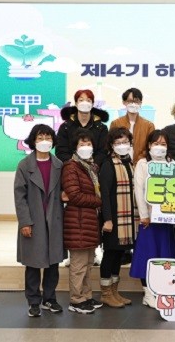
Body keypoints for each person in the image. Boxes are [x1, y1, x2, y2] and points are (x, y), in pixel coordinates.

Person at [14, 124, 64, 318]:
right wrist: (25, 222)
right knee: (33, 263)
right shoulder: (24, 165)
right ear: (33, 141)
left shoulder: (59, 165)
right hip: (34, 221)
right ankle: (33, 301)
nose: (45, 141)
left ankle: (50, 298)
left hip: (54, 220)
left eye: (48, 137)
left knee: (53, 262)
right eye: (40, 137)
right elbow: (20, 197)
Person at [130, 130, 175, 308]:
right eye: (156, 143)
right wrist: (144, 215)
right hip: (149, 220)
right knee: (147, 255)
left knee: (164, 255)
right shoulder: (143, 164)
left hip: (166, 220)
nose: (160, 147)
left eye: (163, 144)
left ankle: (162, 291)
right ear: (149, 145)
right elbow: (139, 189)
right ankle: (148, 293)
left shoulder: (172, 164)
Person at [61, 130, 103, 314]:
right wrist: (99, 200)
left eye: (89, 144)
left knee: (87, 264)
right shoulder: (71, 167)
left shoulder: (91, 167)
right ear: (75, 147)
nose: (86, 147)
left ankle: (86, 296)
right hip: (77, 222)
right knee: (78, 266)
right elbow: (74, 195)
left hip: (88, 222)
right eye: (81, 144)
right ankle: (76, 300)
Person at [98, 127, 137, 308]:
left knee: (119, 254)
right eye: (118, 142)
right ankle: (106, 293)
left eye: (125, 142)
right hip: (113, 219)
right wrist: (107, 219)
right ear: (111, 145)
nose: (122, 145)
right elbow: (104, 194)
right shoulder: (108, 164)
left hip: (126, 221)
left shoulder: (129, 162)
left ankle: (114, 291)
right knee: (110, 254)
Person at [56, 89, 109, 165]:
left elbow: (103, 151)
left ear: (92, 104)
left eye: (88, 100)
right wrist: (76, 165)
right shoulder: (65, 127)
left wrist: (93, 165)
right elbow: (61, 151)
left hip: (95, 168)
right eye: (81, 100)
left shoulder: (101, 128)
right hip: (72, 167)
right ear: (76, 103)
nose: (85, 103)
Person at [109, 88, 155, 165]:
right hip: (120, 164)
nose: (133, 104)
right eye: (130, 101)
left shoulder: (149, 125)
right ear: (124, 102)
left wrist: (139, 161)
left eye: (136, 101)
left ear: (140, 103)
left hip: (142, 164)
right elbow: (111, 145)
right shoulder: (116, 123)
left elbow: (150, 147)